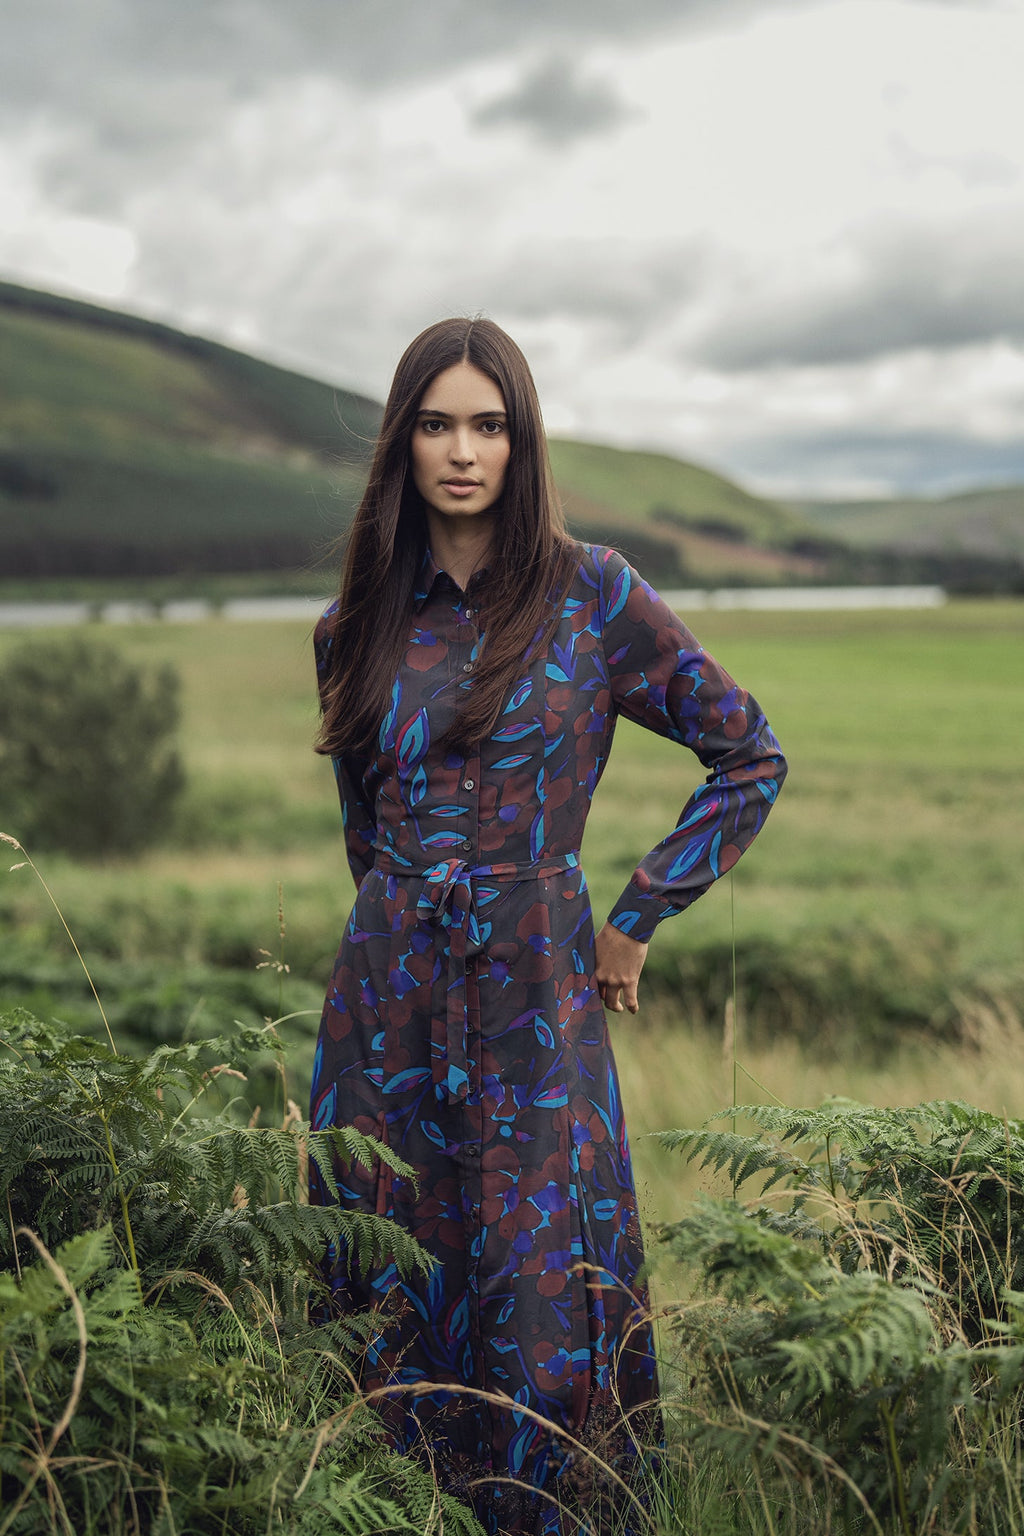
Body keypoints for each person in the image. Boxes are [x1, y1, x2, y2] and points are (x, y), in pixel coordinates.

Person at [309, 317, 787, 1535]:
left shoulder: (595, 595)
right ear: (400, 443)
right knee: (382, 1255)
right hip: (385, 1002)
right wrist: (405, 932)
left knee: (541, 1270)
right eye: (435, 424)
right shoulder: (351, 624)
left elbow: (747, 755)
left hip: (536, 986)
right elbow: (367, 831)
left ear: (520, 443)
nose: (461, 452)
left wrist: (634, 915)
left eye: (488, 424)